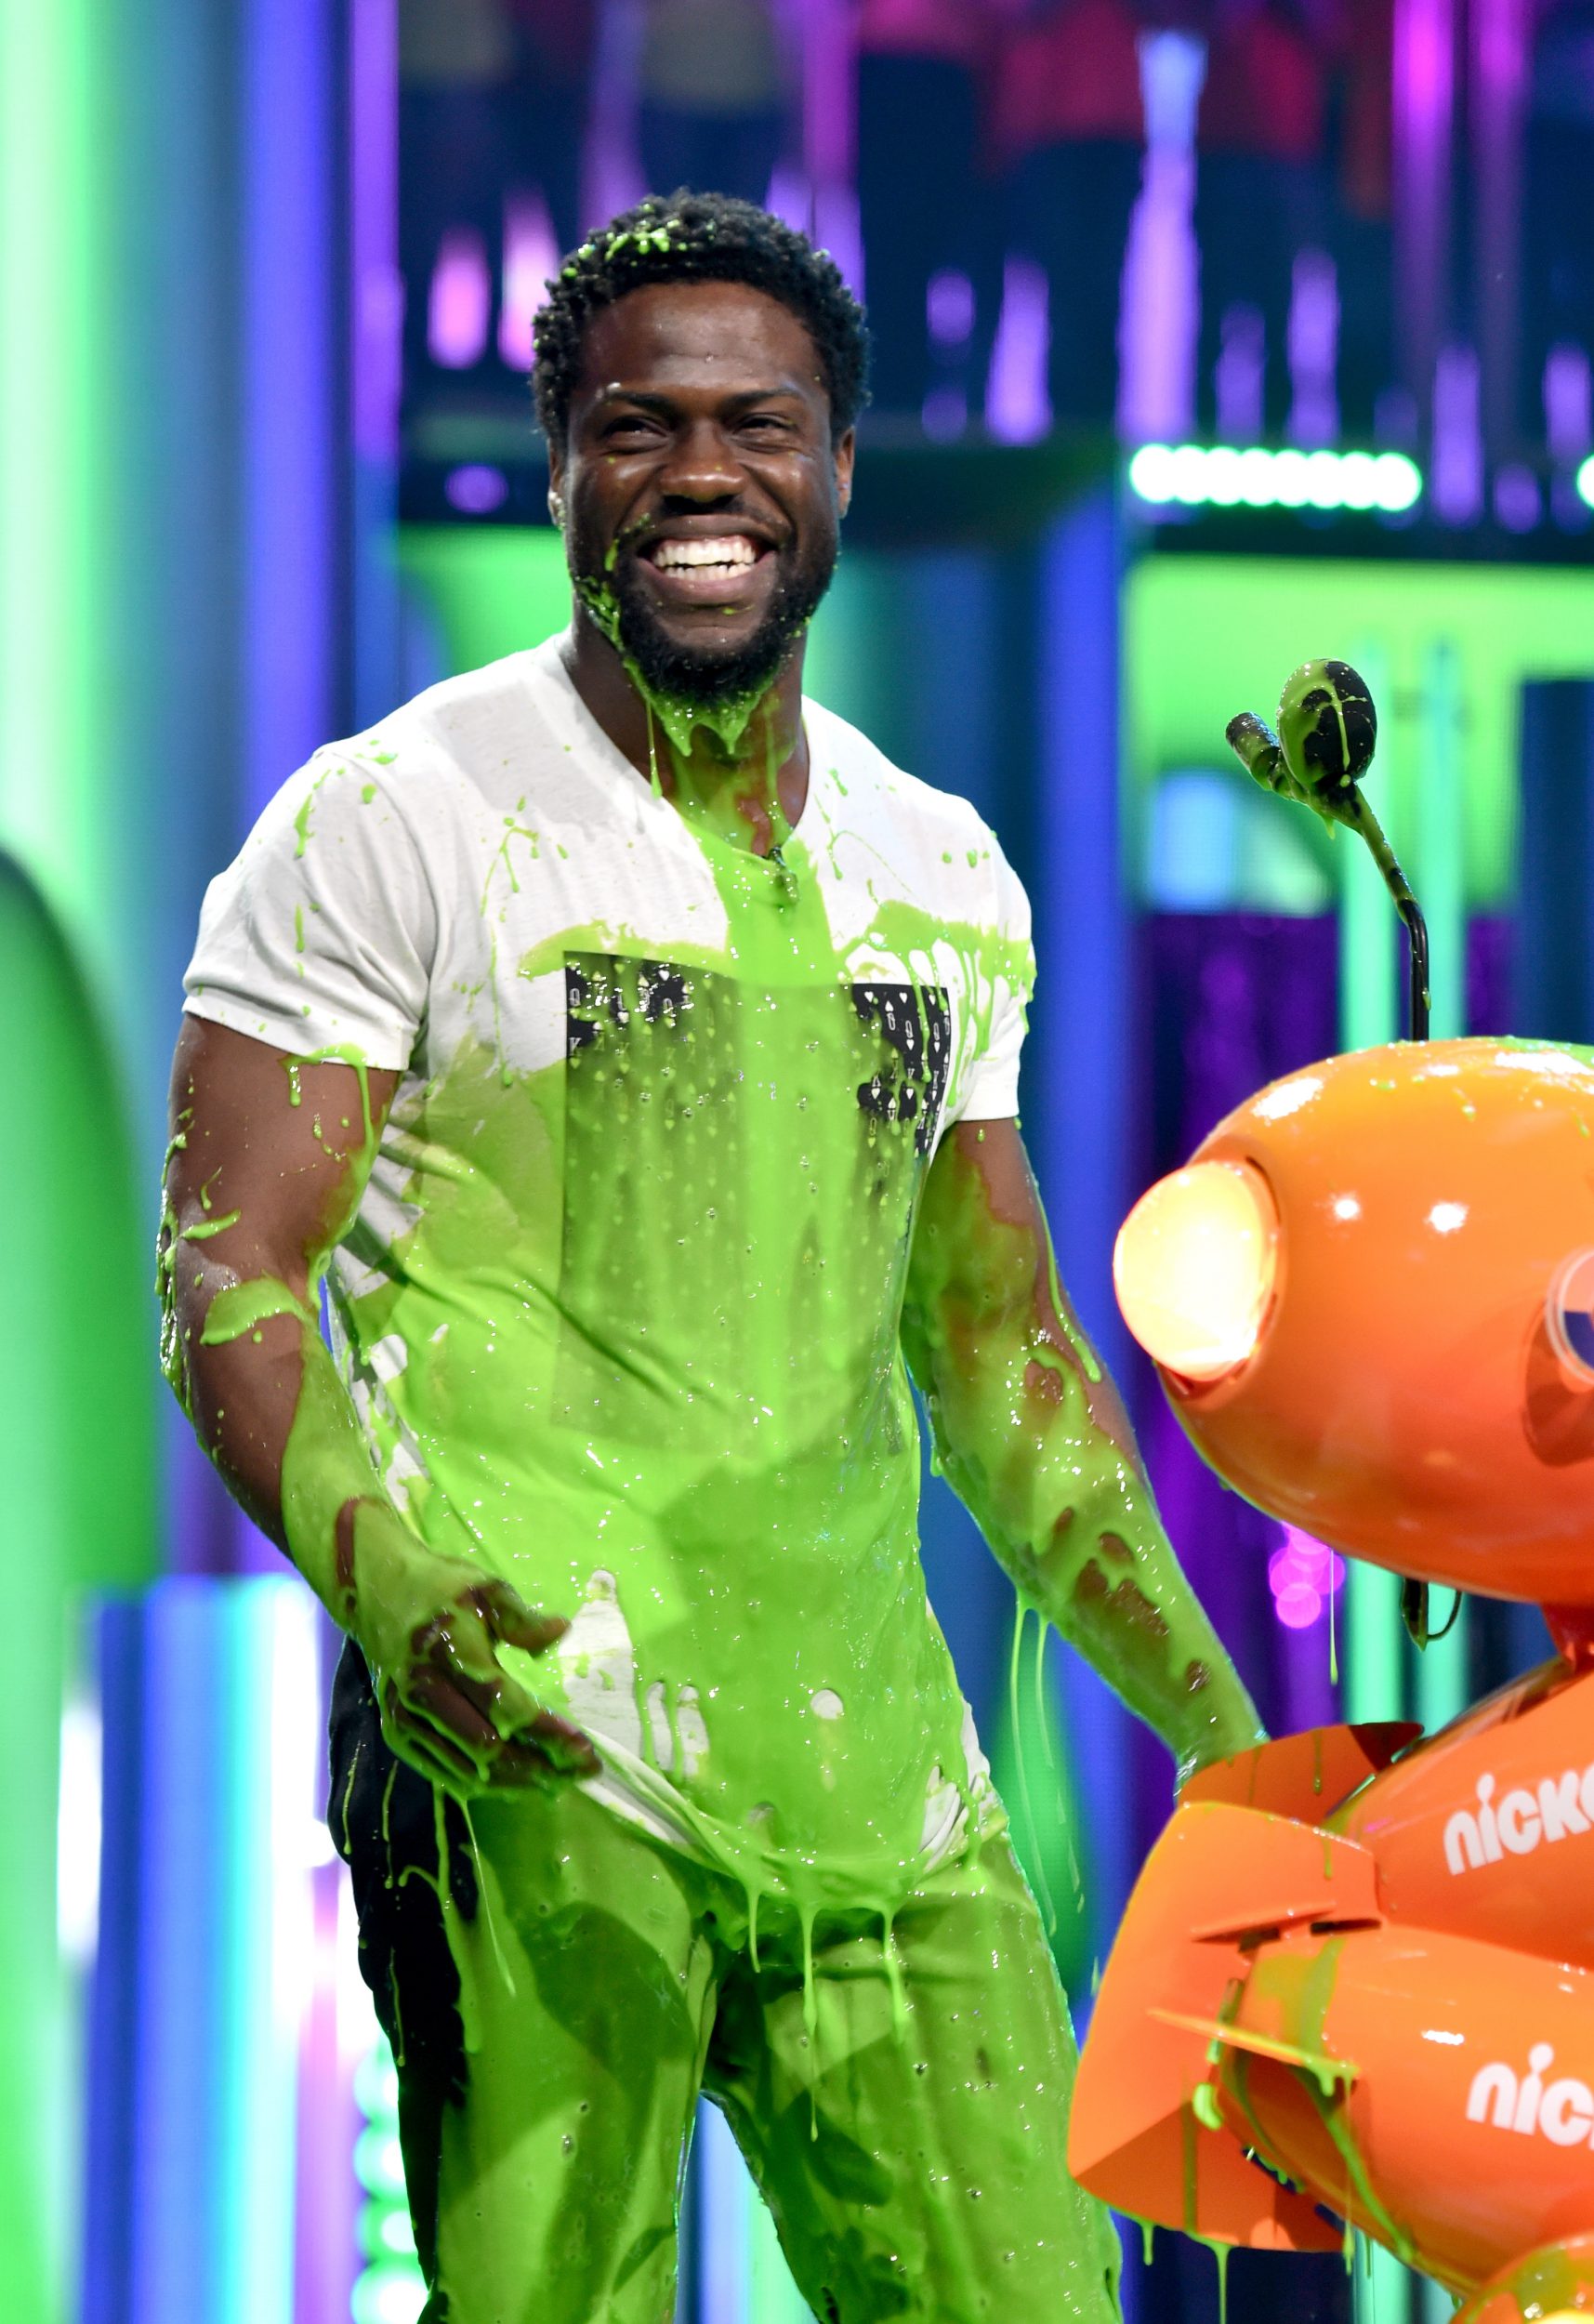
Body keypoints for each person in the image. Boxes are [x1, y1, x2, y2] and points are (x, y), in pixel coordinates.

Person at [160, 192, 1263, 2324]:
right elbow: (229, 1269)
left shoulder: (938, 865)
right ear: (561, 463)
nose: (700, 474)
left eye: (757, 424)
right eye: (635, 423)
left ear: (836, 471)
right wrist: (397, 1595)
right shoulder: (388, 821)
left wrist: (1224, 1736)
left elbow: (1004, 1352)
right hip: (532, 1758)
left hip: (887, 1793)